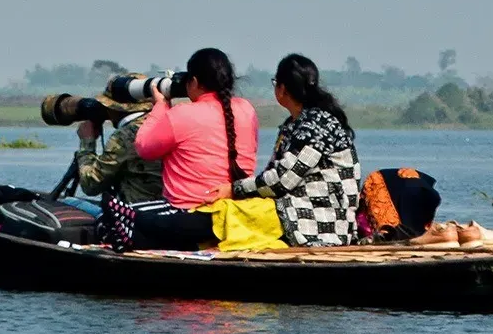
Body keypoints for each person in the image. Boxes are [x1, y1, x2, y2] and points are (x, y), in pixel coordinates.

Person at [96, 47, 259, 250]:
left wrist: (160, 106)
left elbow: (144, 147)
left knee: (105, 222)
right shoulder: (247, 109)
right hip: (235, 208)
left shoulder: (182, 114)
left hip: (187, 208)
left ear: (195, 82)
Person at [207, 54, 363, 246]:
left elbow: (283, 180)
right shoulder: (296, 124)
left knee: (228, 215)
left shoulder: (316, 126)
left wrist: (235, 189)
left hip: (322, 223)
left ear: (282, 89)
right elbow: (274, 176)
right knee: (231, 209)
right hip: (295, 209)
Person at [73, 86, 164, 204]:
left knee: (72, 203)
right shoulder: (164, 122)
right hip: (168, 209)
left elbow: (91, 184)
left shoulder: (125, 136)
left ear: (116, 108)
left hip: (135, 212)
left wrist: (87, 143)